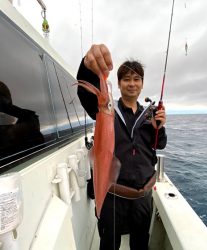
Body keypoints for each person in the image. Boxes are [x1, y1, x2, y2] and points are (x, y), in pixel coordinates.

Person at [77, 44, 167, 250]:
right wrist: (88, 66)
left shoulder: (149, 114)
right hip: (113, 197)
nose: (132, 84)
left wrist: (159, 128)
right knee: (109, 245)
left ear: (142, 84)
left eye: (136, 79)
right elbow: (86, 94)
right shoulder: (107, 110)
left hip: (142, 197)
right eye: (126, 79)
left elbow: (159, 144)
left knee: (140, 244)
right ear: (118, 83)